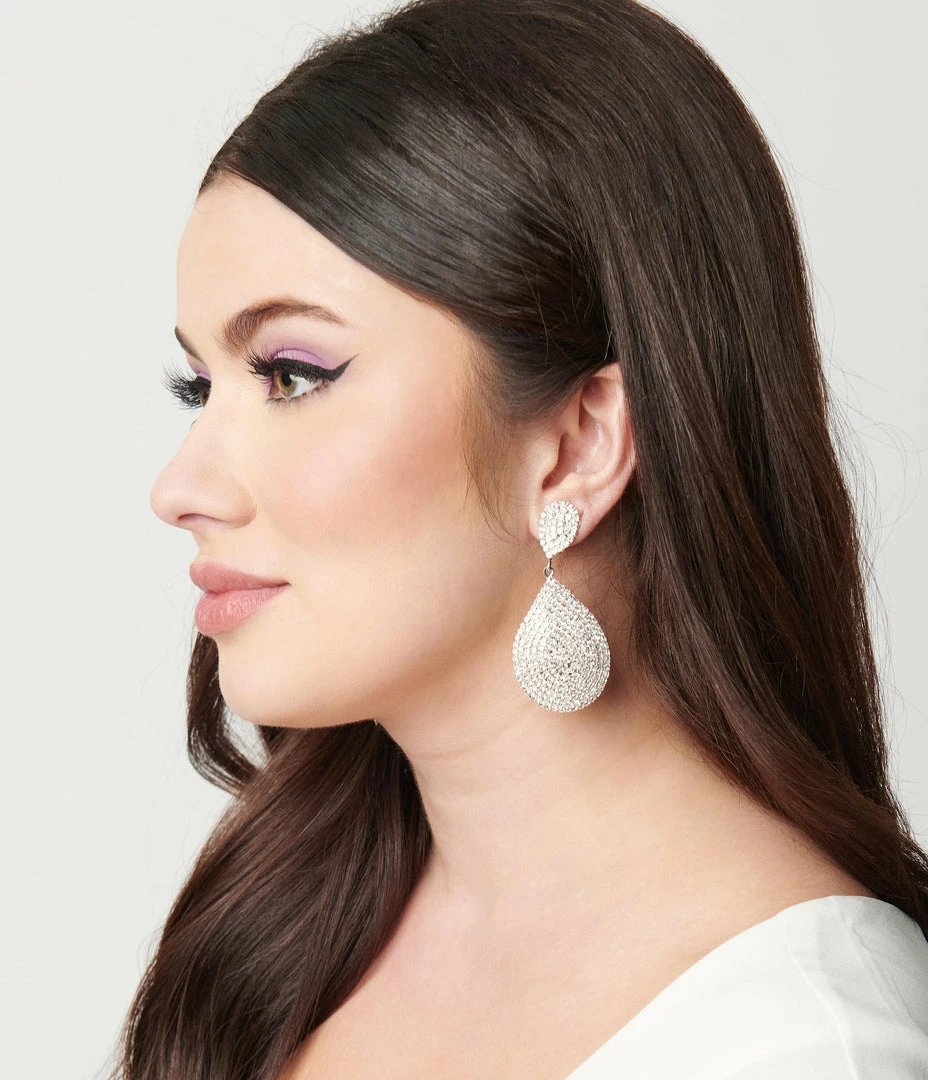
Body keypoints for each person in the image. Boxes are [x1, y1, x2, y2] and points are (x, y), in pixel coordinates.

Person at [111, 1, 928, 1077]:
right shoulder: (281, 926)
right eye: (198, 387)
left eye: (292, 375)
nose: (180, 489)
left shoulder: (806, 1045)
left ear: (579, 444)